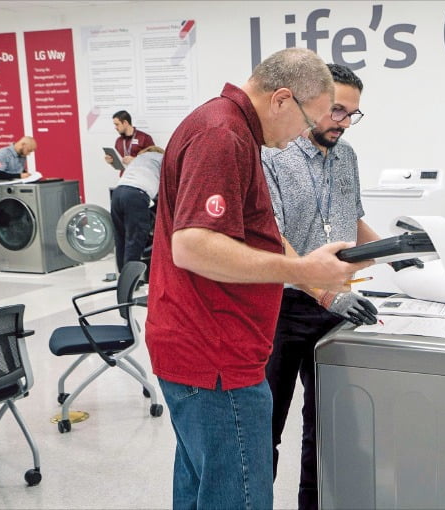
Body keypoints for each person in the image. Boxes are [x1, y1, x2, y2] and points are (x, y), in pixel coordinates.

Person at [144, 48, 372, 510]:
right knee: (238, 493)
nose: (298, 138)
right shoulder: (221, 135)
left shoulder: (230, 130)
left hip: (210, 347)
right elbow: (192, 245)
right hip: (216, 356)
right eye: (309, 120)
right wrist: (303, 270)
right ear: (283, 100)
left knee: (202, 487)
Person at [261, 63, 379, 510]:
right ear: (311, 101)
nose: (343, 123)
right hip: (281, 308)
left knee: (326, 429)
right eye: (335, 111)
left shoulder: (346, 156)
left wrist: (403, 252)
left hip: (335, 309)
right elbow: (273, 237)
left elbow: (353, 222)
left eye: (352, 114)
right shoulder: (273, 154)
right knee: (264, 430)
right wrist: (324, 290)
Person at [110, 145, 163, 272]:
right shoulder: (162, 158)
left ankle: (123, 278)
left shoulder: (138, 159)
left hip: (117, 193)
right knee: (135, 239)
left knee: (121, 238)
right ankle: (132, 280)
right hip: (136, 195)